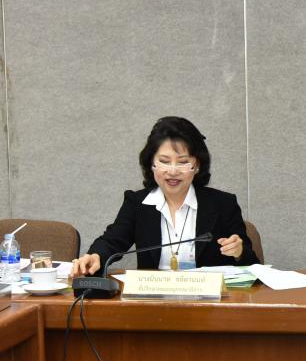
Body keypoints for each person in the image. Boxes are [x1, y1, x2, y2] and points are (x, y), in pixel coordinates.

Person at [71, 116, 260, 276]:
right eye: (164, 161)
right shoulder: (137, 204)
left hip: (209, 304)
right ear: (151, 164)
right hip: (153, 303)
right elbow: (111, 241)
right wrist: (96, 256)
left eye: (183, 162)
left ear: (197, 166)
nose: (173, 171)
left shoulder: (223, 204)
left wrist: (239, 252)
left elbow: (252, 265)